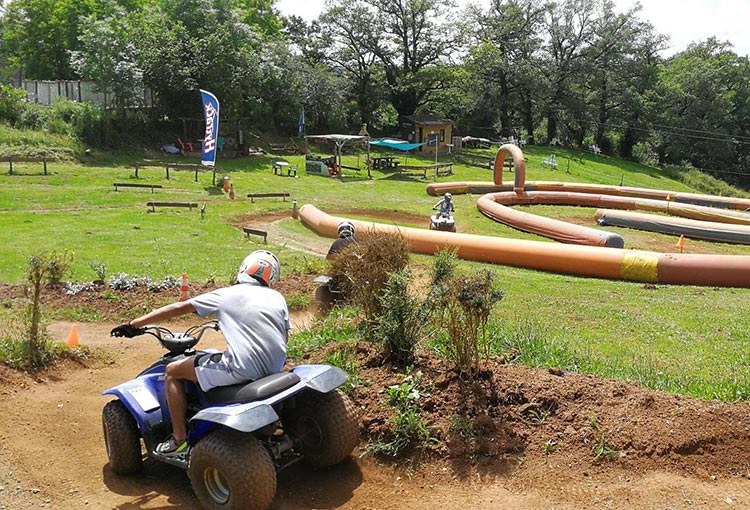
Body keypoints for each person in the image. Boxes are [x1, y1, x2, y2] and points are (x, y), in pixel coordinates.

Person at [110, 250, 291, 457]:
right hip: (275, 368)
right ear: (271, 277)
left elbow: (179, 307)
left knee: (172, 371)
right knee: (213, 355)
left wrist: (134, 324)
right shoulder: (277, 297)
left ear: (244, 269)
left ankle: (179, 440)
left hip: (242, 369)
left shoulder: (226, 294)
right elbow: (283, 336)